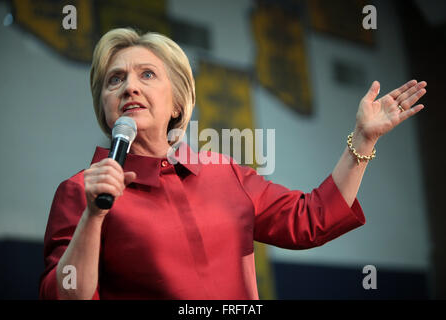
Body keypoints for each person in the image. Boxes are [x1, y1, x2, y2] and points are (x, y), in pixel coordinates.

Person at [39, 27, 427, 300]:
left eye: (147, 74)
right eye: (115, 80)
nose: (129, 87)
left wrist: (363, 139)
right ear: (105, 107)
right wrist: (93, 216)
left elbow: (313, 219)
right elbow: (67, 295)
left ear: (177, 103)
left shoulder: (224, 173)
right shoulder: (79, 191)